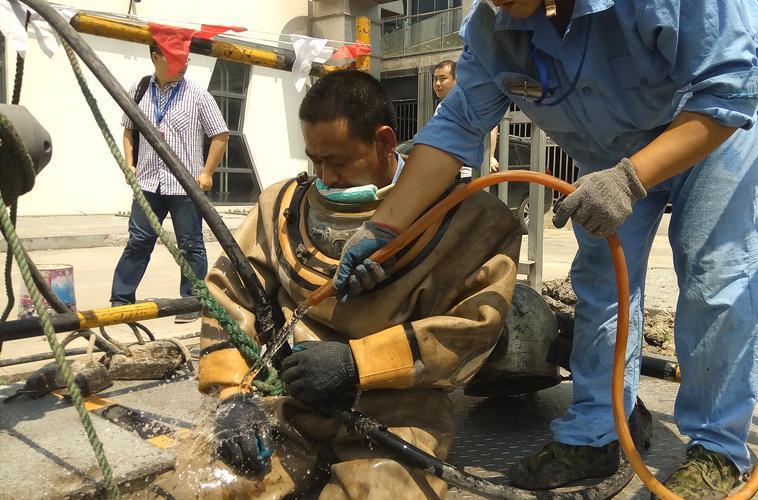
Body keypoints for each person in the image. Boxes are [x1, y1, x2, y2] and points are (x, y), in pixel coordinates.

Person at [334, 0, 758, 497]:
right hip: (611, 143)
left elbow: (729, 84)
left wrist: (630, 179)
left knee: (713, 271)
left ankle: (717, 448)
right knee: (602, 282)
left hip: (710, 119)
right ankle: (597, 433)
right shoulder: (491, 28)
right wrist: (385, 228)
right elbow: (458, 125)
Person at [145, 70, 522, 499]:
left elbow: (473, 330)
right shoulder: (282, 206)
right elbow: (229, 295)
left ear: (384, 141)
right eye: (315, 161)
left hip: (400, 412)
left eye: (339, 162)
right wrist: (233, 394)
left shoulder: (469, 220)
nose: (326, 175)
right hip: (292, 401)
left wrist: (355, 363)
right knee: (200, 488)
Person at [110, 42, 229, 322]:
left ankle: (191, 301)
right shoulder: (139, 89)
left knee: (191, 245)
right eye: (177, 58)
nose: (184, 64)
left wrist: (207, 172)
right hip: (148, 183)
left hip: (185, 186)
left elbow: (220, 135)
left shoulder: (197, 94)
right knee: (138, 242)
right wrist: (129, 163)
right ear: (156, 57)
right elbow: (128, 130)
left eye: (186, 59)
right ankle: (120, 299)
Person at [432, 59, 499, 181]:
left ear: (456, 80)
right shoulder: (442, 106)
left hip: (466, 174)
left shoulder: (467, 102)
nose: (437, 83)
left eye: (442, 78)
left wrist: (490, 156)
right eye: (435, 79)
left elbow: (492, 124)